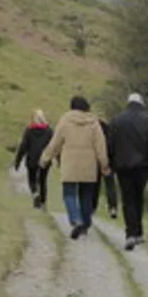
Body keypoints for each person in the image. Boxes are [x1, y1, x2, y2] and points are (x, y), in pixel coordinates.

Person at [39, 95, 109, 239]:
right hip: (88, 164)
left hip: (70, 163)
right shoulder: (94, 123)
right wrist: (104, 164)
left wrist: (45, 158)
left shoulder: (65, 121)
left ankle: (75, 219)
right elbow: (100, 146)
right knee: (86, 195)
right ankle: (85, 224)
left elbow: (56, 142)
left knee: (69, 193)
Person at [107, 92, 148, 251]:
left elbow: (110, 144)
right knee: (139, 197)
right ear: (141, 104)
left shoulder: (117, 120)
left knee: (128, 199)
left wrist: (112, 162)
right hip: (143, 167)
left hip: (123, 166)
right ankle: (138, 232)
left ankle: (130, 233)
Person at [12, 109, 53, 208]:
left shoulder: (29, 130)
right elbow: (53, 145)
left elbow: (23, 146)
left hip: (32, 159)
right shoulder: (49, 131)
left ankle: (35, 194)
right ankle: (43, 201)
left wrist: (18, 161)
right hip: (45, 159)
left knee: (32, 180)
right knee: (43, 180)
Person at [90, 116, 118, 221]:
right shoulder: (110, 133)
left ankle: (93, 207)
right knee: (110, 185)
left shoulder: (94, 133)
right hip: (108, 162)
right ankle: (113, 207)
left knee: (95, 185)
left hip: (96, 162)